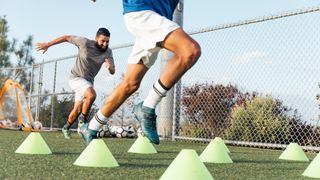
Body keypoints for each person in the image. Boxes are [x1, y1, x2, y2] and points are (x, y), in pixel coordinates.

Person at [80, 0, 201, 145]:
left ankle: (91, 128)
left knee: (130, 84)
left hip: (155, 20)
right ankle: (148, 107)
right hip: (142, 12)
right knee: (190, 50)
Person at [36, 28, 115, 139]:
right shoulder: (85, 43)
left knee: (78, 109)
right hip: (76, 78)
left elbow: (112, 72)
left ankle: (66, 127)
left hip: (88, 81)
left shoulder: (108, 52)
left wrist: (110, 67)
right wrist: (48, 44)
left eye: (107, 41)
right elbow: (67, 37)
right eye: (103, 41)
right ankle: (82, 123)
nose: (105, 44)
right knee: (92, 95)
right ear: (96, 38)